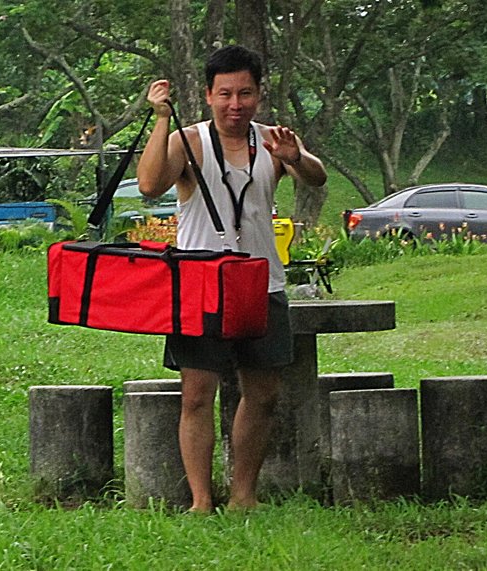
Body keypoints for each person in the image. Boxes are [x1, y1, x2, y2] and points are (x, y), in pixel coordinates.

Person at [137, 45, 327, 513]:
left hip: (262, 282)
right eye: (225, 94)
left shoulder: (273, 140)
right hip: (200, 282)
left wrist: (295, 157)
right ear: (208, 95)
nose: (235, 104)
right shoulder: (189, 141)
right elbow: (149, 185)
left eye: (245, 93)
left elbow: (316, 177)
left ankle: (244, 495)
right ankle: (201, 501)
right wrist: (161, 119)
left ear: (259, 94)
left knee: (263, 394)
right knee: (197, 395)